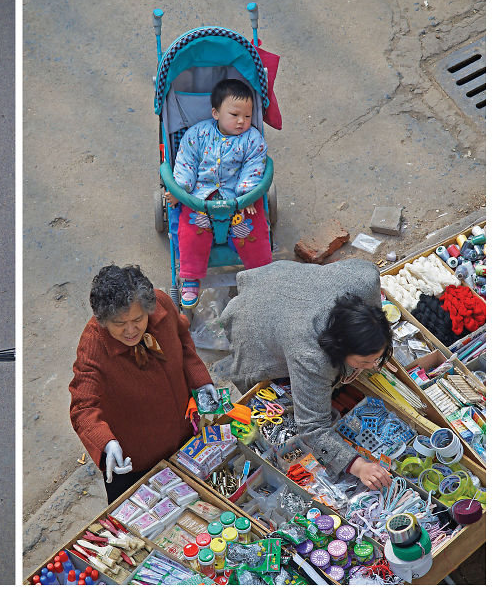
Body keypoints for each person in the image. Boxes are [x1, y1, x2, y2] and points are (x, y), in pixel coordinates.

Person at [219, 258, 394, 491]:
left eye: (376, 359)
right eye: (364, 362)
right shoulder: (311, 356)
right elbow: (312, 427)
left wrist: (372, 351)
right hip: (252, 316)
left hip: (285, 281)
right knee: (266, 382)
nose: (372, 366)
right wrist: (359, 466)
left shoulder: (365, 282)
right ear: (339, 349)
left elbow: (368, 268)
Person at [68, 265, 216, 503]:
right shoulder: (93, 345)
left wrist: (200, 381)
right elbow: (82, 407)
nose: (130, 330)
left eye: (138, 319)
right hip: (137, 459)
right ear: (104, 321)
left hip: (183, 437)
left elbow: (183, 341)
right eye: (119, 323)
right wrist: (107, 443)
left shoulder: (162, 304)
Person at [165, 78, 272, 308]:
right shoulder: (197, 134)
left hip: (238, 198)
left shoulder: (253, 139)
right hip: (200, 196)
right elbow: (186, 162)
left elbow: (254, 166)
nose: (242, 121)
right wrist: (180, 189)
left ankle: (261, 273)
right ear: (216, 113)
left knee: (254, 227)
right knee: (190, 229)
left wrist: (248, 193)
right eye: (235, 115)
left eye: (247, 115)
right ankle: (191, 276)